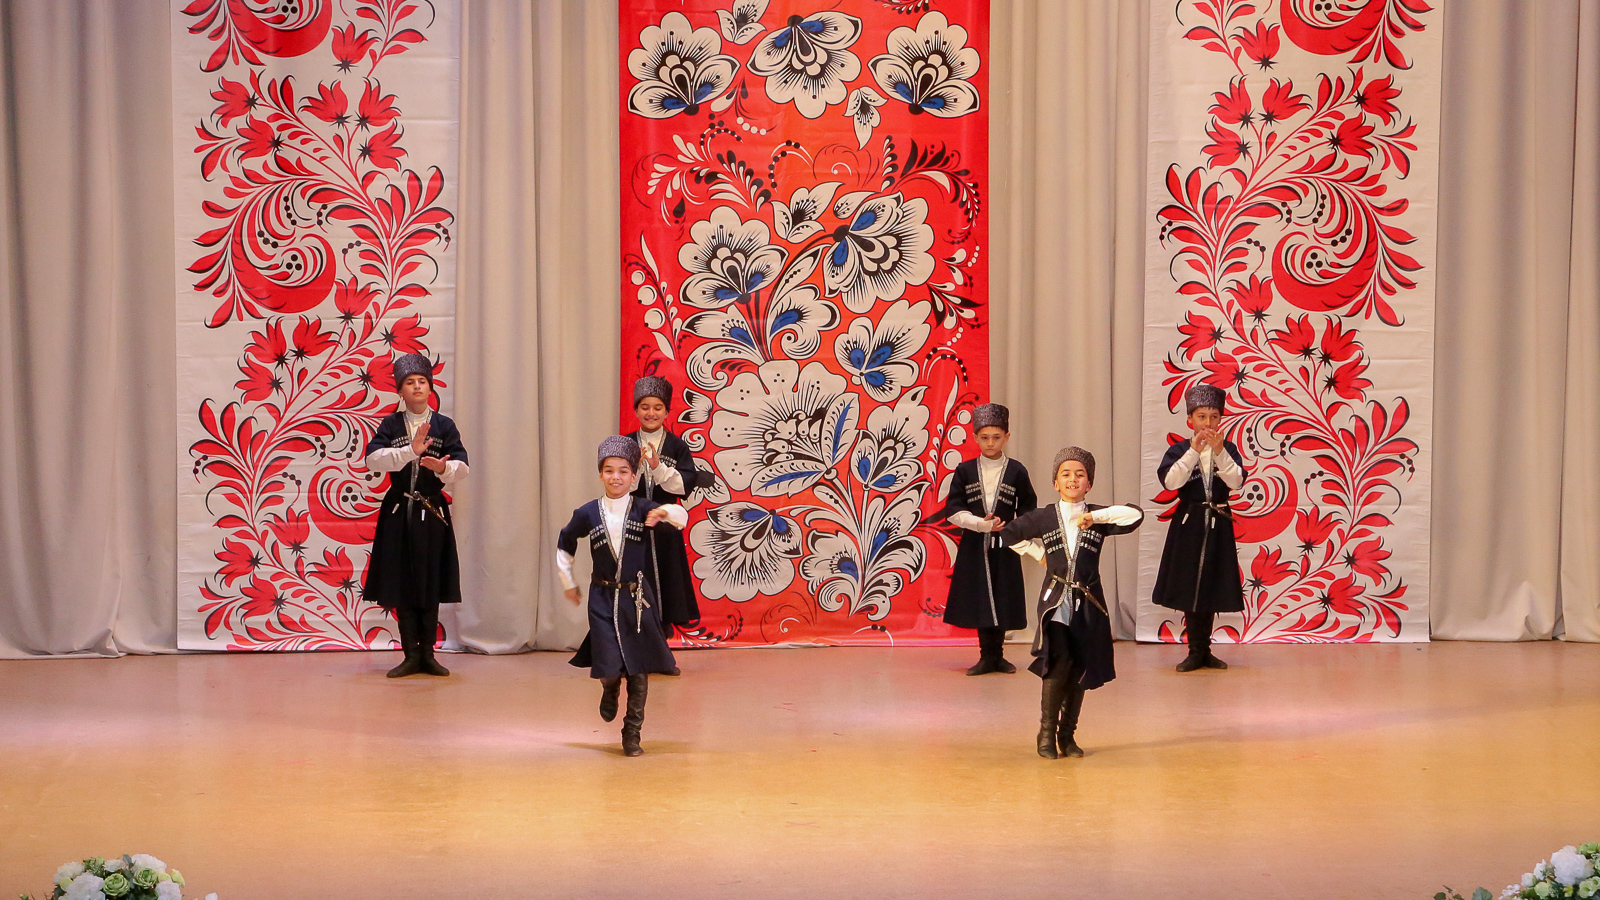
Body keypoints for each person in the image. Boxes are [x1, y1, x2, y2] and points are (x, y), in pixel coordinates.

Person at [1001, 447, 1142, 759]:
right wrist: (1037, 553)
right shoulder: (1045, 516)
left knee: (1080, 665)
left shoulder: (1097, 517)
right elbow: (1009, 533)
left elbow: (1135, 515)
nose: (1073, 479)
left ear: (1088, 484)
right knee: (1059, 661)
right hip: (1056, 602)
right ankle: (1046, 733)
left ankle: (1067, 735)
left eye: (1080, 474)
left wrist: (1096, 516)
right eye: (1065, 474)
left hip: (1088, 603)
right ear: (1056, 482)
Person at [557, 435, 687, 757]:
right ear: (600, 474)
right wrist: (567, 581)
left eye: (623, 471)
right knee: (609, 663)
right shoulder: (588, 512)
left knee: (639, 669)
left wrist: (664, 513)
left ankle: (632, 733)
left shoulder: (643, 508)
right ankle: (610, 685)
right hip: (602, 599)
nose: (616, 477)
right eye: (609, 471)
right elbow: (565, 542)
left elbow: (680, 518)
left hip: (637, 600)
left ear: (633, 476)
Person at [362, 353, 469, 678]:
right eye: (410, 382)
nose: (417, 386)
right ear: (400, 390)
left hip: (432, 513)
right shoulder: (391, 424)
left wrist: (442, 468)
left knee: (429, 582)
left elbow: (463, 466)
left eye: (422, 381)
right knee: (402, 583)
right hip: (398, 512)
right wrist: (410, 451)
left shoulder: (444, 425)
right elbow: (373, 460)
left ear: (430, 388)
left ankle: (428, 655)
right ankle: (410, 655)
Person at [1151, 384, 1247, 672]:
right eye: (1201, 417)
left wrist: (1219, 452)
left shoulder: (1228, 450)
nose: (1208, 423)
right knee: (1189, 584)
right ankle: (1194, 651)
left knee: (1212, 584)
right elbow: (1171, 482)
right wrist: (1194, 450)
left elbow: (1236, 482)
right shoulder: (1179, 450)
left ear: (1221, 420)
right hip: (1189, 524)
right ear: (1190, 420)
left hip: (1218, 525)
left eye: (1214, 417)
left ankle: (1205, 650)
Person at [939, 403, 1037, 674]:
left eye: (996, 437)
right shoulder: (965, 470)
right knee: (981, 597)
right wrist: (980, 524)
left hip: (1005, 546)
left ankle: (998, 656)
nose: (990, 443)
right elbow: (953, 509)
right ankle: (986, 655)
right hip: (974, 546)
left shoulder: (1017, 471)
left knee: (1003, 596)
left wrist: (1014, 530)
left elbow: (1028, 507)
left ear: (1007, 437)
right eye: (984, 438)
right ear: (975, 438)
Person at [628, 376, 700, 655]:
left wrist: (658, 467)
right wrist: (635, 467)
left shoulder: (677, 446)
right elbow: (619, 484)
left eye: (658, 407)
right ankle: (636, 651)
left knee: (666, 584)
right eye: (645, 407)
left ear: (667, 411)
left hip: (666, 528)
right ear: (636, 410)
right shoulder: (625, 443)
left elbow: (683, 485)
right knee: (635, 583)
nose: (651, 413)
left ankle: (661, 650)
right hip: (634, 525)